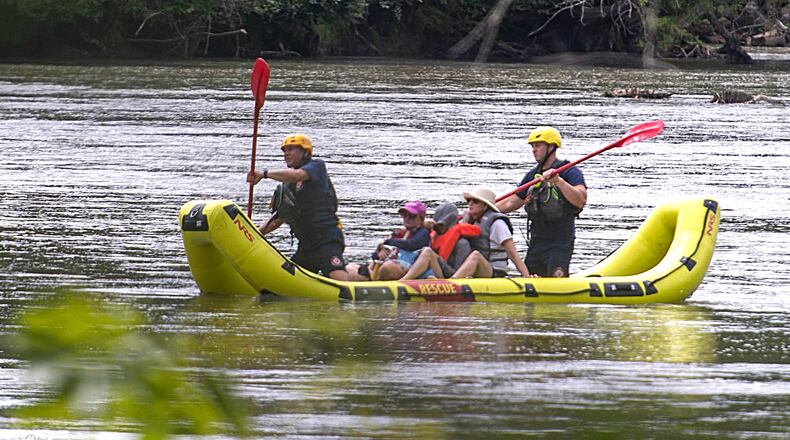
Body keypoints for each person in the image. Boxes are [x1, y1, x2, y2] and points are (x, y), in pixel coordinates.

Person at [247, 133, 353, 281]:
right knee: (287, 279)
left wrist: (264, 174)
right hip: (306, 244)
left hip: (326, 238)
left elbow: (298, 175)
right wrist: (255, 234)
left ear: (305, 152)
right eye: (285, 150)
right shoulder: (288, 184)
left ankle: (352, 290)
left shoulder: (317, 166)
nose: (286, 153)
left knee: (335, 273)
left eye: (291, 149)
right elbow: (279, 218)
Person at [496, 126, 587, 278]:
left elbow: (581, 200)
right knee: (530, 279)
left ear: (551, 147)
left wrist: (558, 181)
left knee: (557, 276)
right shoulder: (533, 175)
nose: (534, 150)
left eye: (538, 145)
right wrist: (485, 208)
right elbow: (510, 202)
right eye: (532, 146)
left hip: (560, 242)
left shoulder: (569, 171)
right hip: (537, 242)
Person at [451, 187, 530, 278]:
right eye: (469, 201)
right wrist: (465, 222)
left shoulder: (498, 223)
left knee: (476, 255)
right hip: (476, 268)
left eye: (475, 201)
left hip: (494, 271)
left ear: (485, 206)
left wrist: (526, 276)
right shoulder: (471, 221)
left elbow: (512, 253)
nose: (470, 204)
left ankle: (452, 281)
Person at [347, 201, 431, 281]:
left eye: (412, 216)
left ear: (421, 218)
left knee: (388, 267)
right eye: (404, 215)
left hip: (408, 267)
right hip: (387, 264)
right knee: (351, 268)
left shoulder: (423, 232)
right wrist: (380, 252)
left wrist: (387, 242)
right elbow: (375, 256)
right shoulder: (399, 233)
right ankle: (367, 277)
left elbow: (412, 245)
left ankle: (374, 278)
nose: (407, 218)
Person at [400, 203, 480, 280]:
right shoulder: (433, 235)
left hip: (449, 276)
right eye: (437, 226)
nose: (438, 229)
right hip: (433, 269)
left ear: (450, 224)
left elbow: (459, 272)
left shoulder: (462, 244)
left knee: (427, 251)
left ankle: (403, 281)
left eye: (441, 225)